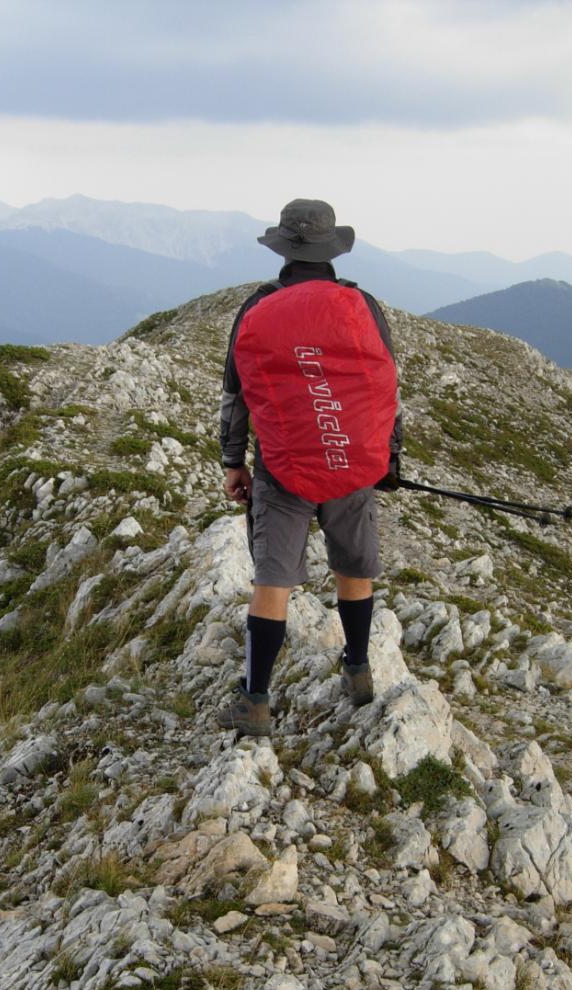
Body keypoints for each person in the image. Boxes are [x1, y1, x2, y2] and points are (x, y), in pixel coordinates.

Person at [218, 198, 402, 737]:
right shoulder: (360, 303)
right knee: (354, 570)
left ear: (283, 248)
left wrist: (233, 462)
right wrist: (386, 459)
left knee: (272, 582)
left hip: (282, 467)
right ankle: (358, 670)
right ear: (331, 250)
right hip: (350, 462)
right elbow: (384, 386)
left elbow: (237, 394)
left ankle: (254, 701)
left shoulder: (258, 305)